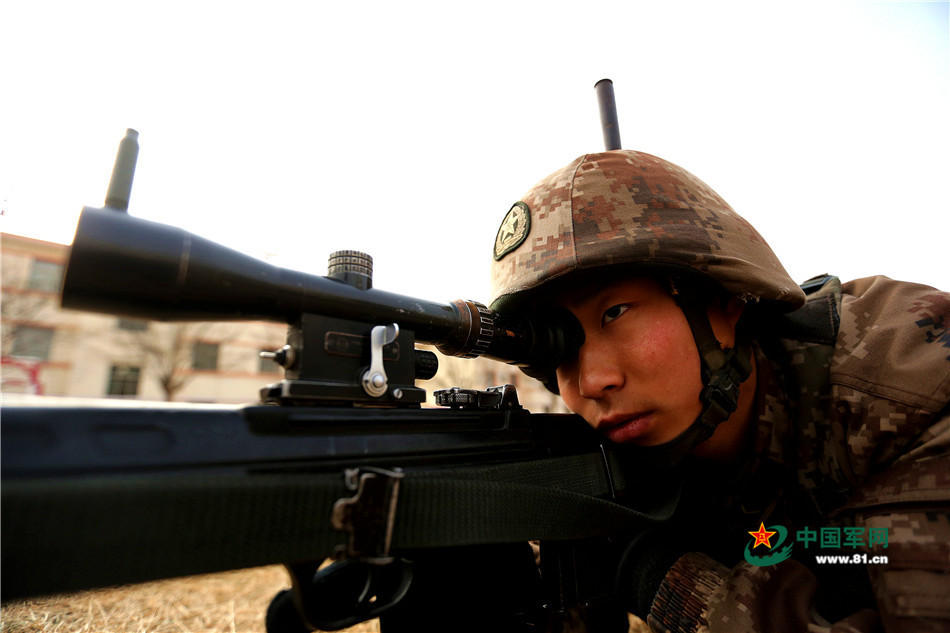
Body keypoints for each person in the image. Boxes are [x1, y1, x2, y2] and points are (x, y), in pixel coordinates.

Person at [489, 149, 950, 633]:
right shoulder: (609, 465)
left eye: (615, 313)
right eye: (561, 348)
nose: (591, 381)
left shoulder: (910, 382)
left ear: (722, 300)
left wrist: (659, 576)